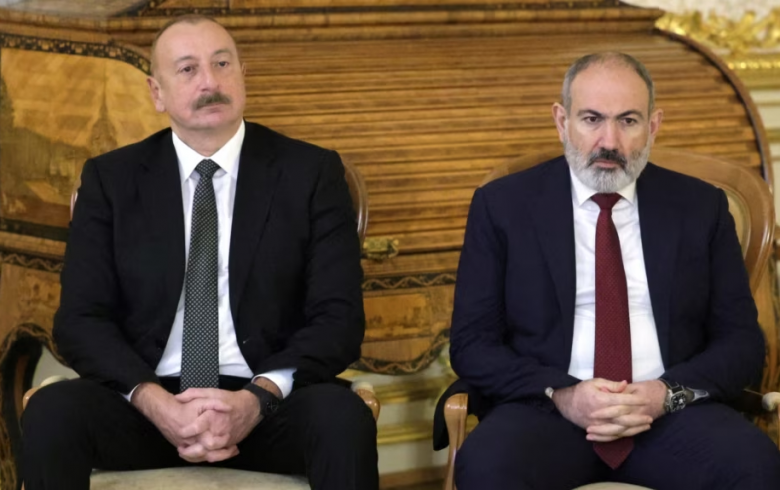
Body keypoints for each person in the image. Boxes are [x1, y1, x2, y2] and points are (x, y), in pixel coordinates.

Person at [22, 14, 378, 490]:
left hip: (267, 403)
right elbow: (80, 321)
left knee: (342, 418)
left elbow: (339, 318)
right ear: (157, 92)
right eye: (188, 69)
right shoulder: (112, 180)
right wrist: (155, 402)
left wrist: (256, 399)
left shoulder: (310, 173)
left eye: (222, 63)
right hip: (147, 404)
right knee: (53, 412)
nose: (210, 82)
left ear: (243, 74)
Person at [447, 52, 780, 489]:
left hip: (669, 413)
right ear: (562, 121)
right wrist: (565, 394)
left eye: (628, 121)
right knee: (487, 467)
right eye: (592, 119)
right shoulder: (503, 206)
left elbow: (741, 342)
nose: (610, 141)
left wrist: (665, 393)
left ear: (653, 125)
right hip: (547, 410)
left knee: (756, 466)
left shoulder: (701, 207)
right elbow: (471, 344)